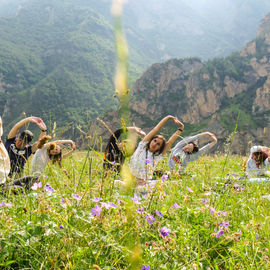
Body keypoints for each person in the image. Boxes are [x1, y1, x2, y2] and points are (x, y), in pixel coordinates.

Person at [129, 115, 184, 185]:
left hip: (144, 184)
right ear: (151, 140)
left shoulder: (156, 157)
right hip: (130, 181)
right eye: (154, 140)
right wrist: (168, 117)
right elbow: (156, 129)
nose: (155, 144)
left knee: (171, 184)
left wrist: (181, 128)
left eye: (158, 144)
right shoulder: (142, 146)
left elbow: (170, 142)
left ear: (160, 148)